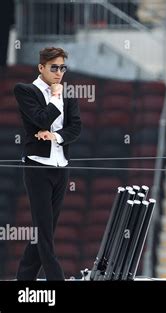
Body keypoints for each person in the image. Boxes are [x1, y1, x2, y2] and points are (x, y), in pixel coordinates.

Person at [14, 47, 82, 280]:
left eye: (62, 68)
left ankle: (24, 279)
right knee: (44, 232)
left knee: (45, 231)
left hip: (61, 167)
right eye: (54, 67)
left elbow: (76, 128)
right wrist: (54, 96)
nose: (59, 72)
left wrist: (56, 136)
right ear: (41, 67)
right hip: (37, 168)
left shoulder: (68, 94)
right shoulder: (25, 91)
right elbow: (42, 118)